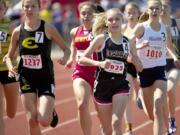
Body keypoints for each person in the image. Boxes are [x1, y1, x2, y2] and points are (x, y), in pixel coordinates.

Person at [4, 0, 70, 135]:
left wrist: (64, 57)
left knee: (44, 121)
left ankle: (50, 110)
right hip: (26, 79)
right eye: (26, 6)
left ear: (39, 8)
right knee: (32, 121)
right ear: (22, 8)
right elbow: (8, 56)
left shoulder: (47, 28)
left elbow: (66, 49)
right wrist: (10, 67)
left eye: (33, 6)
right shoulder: (17, 31)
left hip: (45, 78)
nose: (29, 9)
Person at [79, 8, 143, 135]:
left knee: (116, 122)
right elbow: (82, 59)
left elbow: (140, 68)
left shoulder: (128, 42)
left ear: (122, 21)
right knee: (108, 129)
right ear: (106, 23)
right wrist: (99, 63)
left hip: (121, 85)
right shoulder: (101, 40)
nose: (114, 22)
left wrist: (136, 60)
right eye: (110, 20)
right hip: (102, 86)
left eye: (117, 19)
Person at [133, 0, 180, 134]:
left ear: (162, 10)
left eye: (158, 8)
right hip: (145, 71)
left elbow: (168, 46)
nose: (155, 11)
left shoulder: (167, 27)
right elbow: (128, 44)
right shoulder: (141, 27)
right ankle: (141, 95)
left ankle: (168, 122)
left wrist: (175, 56)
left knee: (158, 105)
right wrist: (140, 47)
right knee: (151, 116)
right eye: (152, 8)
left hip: (162, 69)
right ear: (147, 10)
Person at [65, 2, 104, 135]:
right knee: (82, 105)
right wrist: (71, 57)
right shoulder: (74, 31)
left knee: (101, 110)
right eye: (83, 13)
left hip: (99, 73)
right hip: (81, 72)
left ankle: (105, 128)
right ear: (79, 14)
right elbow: (73, 44)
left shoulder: (100, 31)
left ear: (95, 15)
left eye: (89, 13)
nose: (86, 16)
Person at [160, 0, 180, 134]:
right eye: (160, 6)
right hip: (157, 65)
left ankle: (172, 118)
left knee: (170, 88)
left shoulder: (177, 23)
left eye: (166, 6)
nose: (163, 9)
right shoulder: (152, 26)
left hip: (174, 64)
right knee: (160, 98)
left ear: (169, 7)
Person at [0, 1, 19, 135]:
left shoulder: (11, 25)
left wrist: (9, 54)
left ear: (5, 10)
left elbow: (19, 48)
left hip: (9, 70)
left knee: (11, 113)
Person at [122, 2, 141, 134]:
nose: (131, 14)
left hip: (141, 65)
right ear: (124, 14)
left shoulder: (143, 28)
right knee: (126, 96)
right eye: (129, 12)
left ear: (138, 14)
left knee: (141, 99)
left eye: (134, 12)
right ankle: (128, 129)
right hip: (127, 65)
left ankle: (139, 96)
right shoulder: (122, 28)